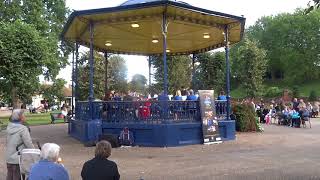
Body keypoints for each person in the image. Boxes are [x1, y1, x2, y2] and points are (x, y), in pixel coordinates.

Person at [6, 109, 34, 180]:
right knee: (17, 177)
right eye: (24, 115)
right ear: (20, 117)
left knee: (10, 176)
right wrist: (35, 152)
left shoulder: (9, 127)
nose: (25, 117)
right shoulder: (23, 129)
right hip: (18, 158)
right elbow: (29, 144)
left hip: (9, 157)